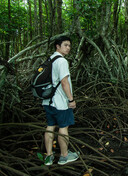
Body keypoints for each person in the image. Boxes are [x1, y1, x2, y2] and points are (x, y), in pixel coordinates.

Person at [43, 36, 79, 165]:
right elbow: (64, 82)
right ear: (57, 46)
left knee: (50, 127)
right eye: (65, 45)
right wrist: (71, 100)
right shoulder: (62, 61)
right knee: (63, 127)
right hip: (60, 103)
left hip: (48, 101)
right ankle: (64, 156)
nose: (68, 48)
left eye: (69, 45)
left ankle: (49, 156)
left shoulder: (50, 59)